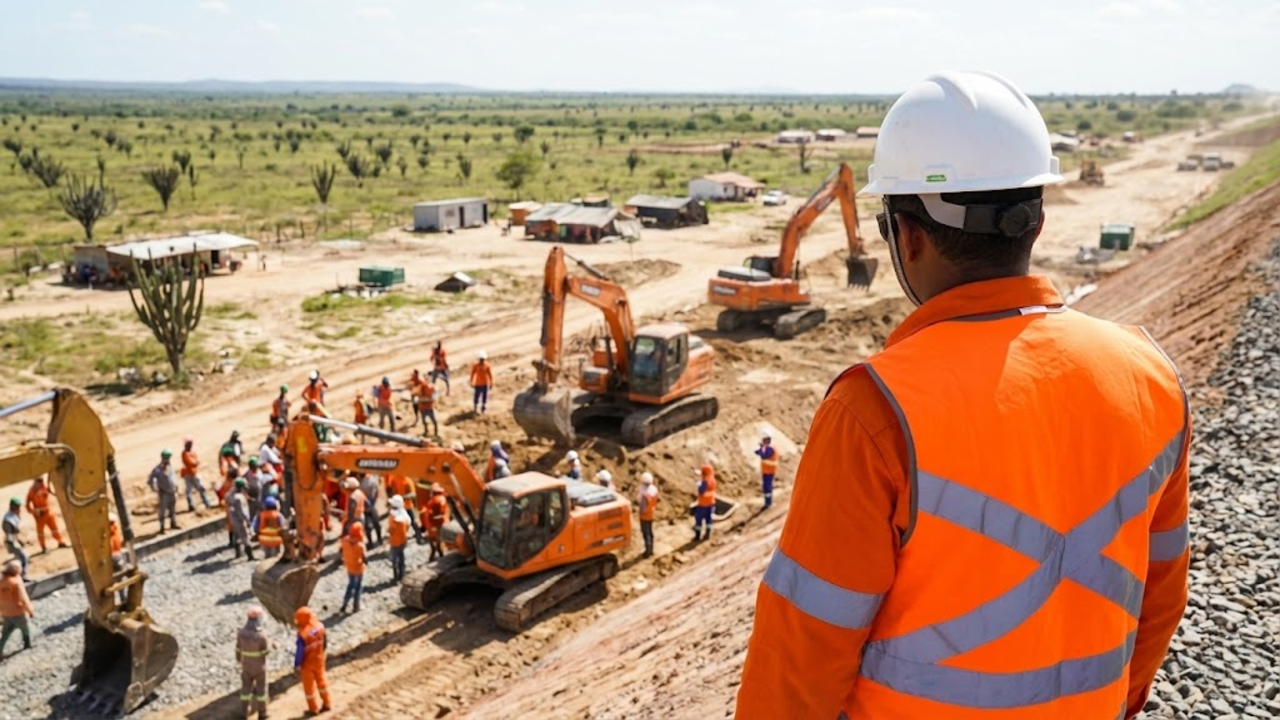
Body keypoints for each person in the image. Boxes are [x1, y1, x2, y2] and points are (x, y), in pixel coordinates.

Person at [735, 72, 1190, 720]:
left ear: (907, 236)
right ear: (1036, 220)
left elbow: (799, 660)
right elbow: (1161, 597)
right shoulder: (1151, 377)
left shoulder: (875, 411)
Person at [293, 606, 332, 716]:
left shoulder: (303, 634)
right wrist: (322, 652)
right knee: (322, 681)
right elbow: (324, 642)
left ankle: (313, 709)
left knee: (309, 687)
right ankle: (327, 703)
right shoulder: (320, 626)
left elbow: (299, 652)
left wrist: (297, 665)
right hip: (319, 659)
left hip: (307, 664)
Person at [235, 605, 272, 719]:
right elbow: (266, 652)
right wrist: (272, 645)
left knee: (245, 689)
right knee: (261, 690)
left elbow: (238, 650)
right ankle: (262, 713)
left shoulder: (241, 633)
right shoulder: (261, 635)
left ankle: (243, 712)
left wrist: (239, 660)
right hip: (259, 668)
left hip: (246, 667)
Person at [25, 477, 69, 553]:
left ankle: (60, 542)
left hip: (48, 512)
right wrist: (34, 512)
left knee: (54, 528)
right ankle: (43, 547)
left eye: (41, 481)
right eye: (38, 481)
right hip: (39, 515)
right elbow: (27, 505)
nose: (40, 483)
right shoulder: (31, 491)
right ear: (35, 482)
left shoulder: (44, 487)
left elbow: (49, 494)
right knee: (40, 532)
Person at [0, 560, 34, 655]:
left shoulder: (1, 581)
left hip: (5, 612)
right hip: (17, 612)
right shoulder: (16, 582)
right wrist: (30, 610)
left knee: (5, 633)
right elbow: (23, 598)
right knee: (25, 629)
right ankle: (27, 643)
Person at [148, 449, 181, 532]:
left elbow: (173, 478)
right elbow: (150, 480)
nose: (168, 460)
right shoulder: (157, 470)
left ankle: (173, 524)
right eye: (167, 458)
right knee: (162, 510)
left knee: (172, 509)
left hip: (172, 491)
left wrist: (176, 487)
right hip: (164, 493)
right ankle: (162, 527)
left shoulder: (170, 467)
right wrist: (154, 488)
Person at [385, 474, 422, 542]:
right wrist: (391, 499)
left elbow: (413, 494)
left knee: (412, 522)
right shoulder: (394, 479)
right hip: (397, 507)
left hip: (407, 506)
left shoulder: (408, 481)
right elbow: (390, 490)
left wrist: (402, 498)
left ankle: (419, 536)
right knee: (396, 522)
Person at [180, 437, 213, 513]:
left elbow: (196, 461)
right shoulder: (185, 453)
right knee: (189, 490)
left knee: (200, 487)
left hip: (194, 473)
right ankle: (191, 505)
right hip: (188, 474)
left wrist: (196, 462)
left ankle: (206, 502)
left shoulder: (192, 452)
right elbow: (191, 462)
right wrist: (195, 462)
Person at [339, 521, 366, 614]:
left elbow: (341, 550)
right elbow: (364, 558)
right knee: (357, 587)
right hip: (358, 568)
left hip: (349, 567)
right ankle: (356, 606)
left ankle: (344, 604)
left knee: (350, 586)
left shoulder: (344, 540)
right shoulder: (360, 545)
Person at [227, 478, 255, 561]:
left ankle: (238, 553)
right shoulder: (239, 498)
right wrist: (247, 520)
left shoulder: (229, 494)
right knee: (245, 536)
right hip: (240, 519)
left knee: (236, 535)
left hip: (233, 518)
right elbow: (242, 511)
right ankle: (250, 556)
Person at [2, 500, 28, 581]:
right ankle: (22, 576)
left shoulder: (13, 515)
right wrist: (16, 541)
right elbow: (10, 533)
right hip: (12, 541)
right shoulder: (8, 519)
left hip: (15, 540)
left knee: (20, 558)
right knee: (23, 556)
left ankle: (19, 576)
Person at [387, 495, 411, 582]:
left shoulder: (395, 518)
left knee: (395, 560)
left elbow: (391, 529)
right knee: (401, 558)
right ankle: (402, 575)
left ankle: (396, 577)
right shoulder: (404, 515)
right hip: (402, 541)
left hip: (395, 542)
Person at [424, 484, 450, 561]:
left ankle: (435, 554)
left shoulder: (432, 502)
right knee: (439, 540)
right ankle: (439, 554)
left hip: (433, 524)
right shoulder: (443, 500)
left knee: (434, 540)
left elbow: (429, 514)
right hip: (440, 524)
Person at [636, 472, 659, 558]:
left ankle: (648, 551)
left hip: (645, 516)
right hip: (651, 513)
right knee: (650, 532)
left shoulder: (644, 493)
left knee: (646, 533)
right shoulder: (654, 490)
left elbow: (642, 506)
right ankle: (651, 549)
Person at [754, 432, 779, 510]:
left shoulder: (770, 448)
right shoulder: (767, 447)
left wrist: (761, 448)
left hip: (769, 471)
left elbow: (764, 455)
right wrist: (761, 448)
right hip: (766, 471)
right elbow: (757, 452)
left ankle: (768, 503)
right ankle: (767, 502)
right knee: (766, 486)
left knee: (767, 486)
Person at [693, 463, 715, 542]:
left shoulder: (705, 482)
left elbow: (701, 491)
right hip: (711, 503)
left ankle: (697, 536)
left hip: (703, 505)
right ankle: (708, 534)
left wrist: (699, 485)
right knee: (709, 520)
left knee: (698, 520)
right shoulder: (712, 480)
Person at [359, 473, 382, 548]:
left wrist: (372, 503)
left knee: (375, 524)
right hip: (366, 505)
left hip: (370, 505)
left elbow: (376, 492)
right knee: (368, 526)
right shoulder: (360, 480)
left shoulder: (371, 480)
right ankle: (372, 542)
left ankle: (378, 540)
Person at [413, 371, 439, 437]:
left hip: (430, 407)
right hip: (423, 408)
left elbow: (435, 397)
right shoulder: (420, 387)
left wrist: (423, 399)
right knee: (424, 421)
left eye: (428, 378)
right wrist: (426, 399)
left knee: (435, 421)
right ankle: (426, 432)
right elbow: (416, 396)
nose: (426, 380)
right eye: (425, 379)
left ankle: (436, 434)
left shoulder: (432, 387)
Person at [469, 350, 494, 414]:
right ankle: (475, 408)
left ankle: (483, 409)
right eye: (481, 359)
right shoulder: (475, 365)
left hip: (485, 384)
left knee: (484, 397)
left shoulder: (487, 365)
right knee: (476, 396)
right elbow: (472, 374)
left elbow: (490, 375)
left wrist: (491, 383)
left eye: (482, 359)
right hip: (478, 384)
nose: (481, 360)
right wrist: (471, 381)